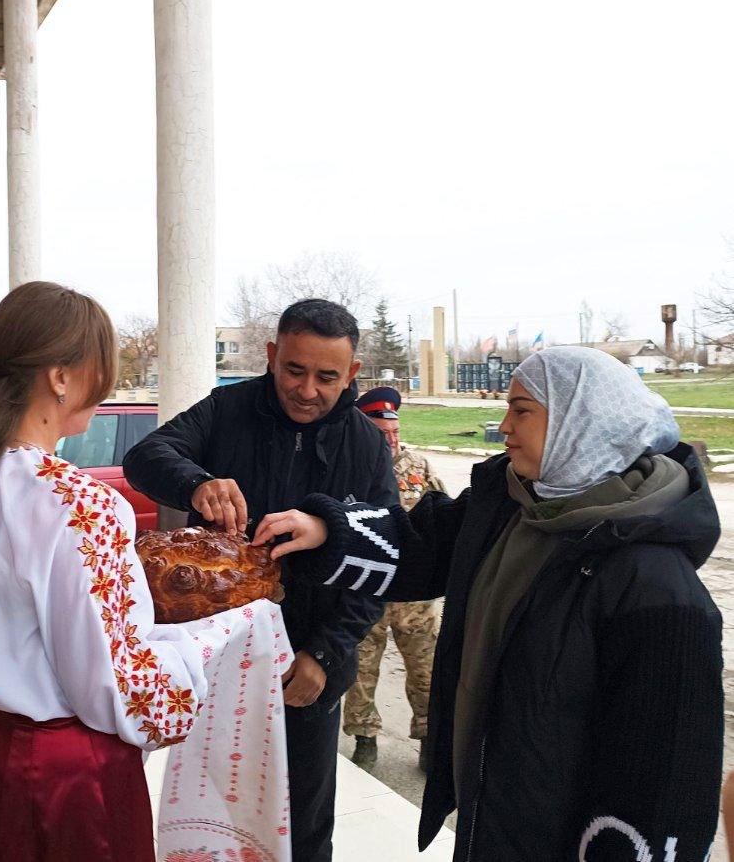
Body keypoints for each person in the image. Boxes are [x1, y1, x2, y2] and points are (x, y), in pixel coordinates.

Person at [256, 346, 724, 860]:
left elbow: (661, 787)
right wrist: (326, 530)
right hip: (493, 815)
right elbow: (423, 547)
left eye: (522, 410)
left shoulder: (659, 590)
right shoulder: (511, 505)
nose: (504, 426)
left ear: (581, 421)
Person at [0, 282, 207, 862]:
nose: (110, 383)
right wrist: (202, 646)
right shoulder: (82, 504)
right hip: (64, 778)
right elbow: (116, 685)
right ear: (59, 376)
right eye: (102, 365)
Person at [123, 298, 396, 862]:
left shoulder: (366, 445)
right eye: (294, 370)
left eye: (327, 377)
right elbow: (147, 456)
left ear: (351, 374)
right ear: (272, 356)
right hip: (219, 662)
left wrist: (325, 653)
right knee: (216, 807)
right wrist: (196, 482)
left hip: (308, 667)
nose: (307, 390)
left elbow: (382, 561)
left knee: (303, 819)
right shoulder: (228, 409)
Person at [344, 386, 446, 770]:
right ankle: (364, 737)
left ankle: (428, 738)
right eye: (381, 432)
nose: (391, 439)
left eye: (394, 431)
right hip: (366, 590)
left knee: (426, 672)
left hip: (415, 597)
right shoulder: (351, 469)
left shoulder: (418, 467)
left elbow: (443, 516)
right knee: (360, 670)